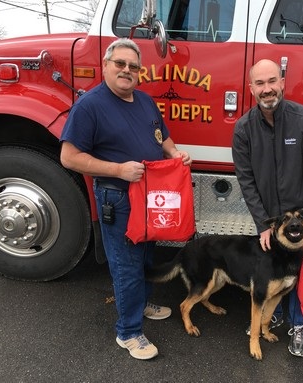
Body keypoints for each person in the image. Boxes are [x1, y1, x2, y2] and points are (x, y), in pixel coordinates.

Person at [60, 38, 192, 360]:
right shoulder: (90, 105)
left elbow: (161, 134)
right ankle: (129, 332)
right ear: (106, 65)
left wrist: (175, 153)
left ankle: (142, 304)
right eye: (120, 63)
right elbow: (69, 157)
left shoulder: (145, 101)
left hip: (148, 195)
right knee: (126, 265)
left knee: (146, 257)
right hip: (117, 197)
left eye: (133, 66)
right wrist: (118, 169)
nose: (126, 70)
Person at [232, 59, 303, 357]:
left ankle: (299, 324)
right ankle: (269, 315)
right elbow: (246, 179)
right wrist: (262, 223)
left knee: (300, 273)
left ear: (282, 82)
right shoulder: (243, 129)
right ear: (251, 89)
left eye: (272, 81)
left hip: (301, 219)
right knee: (271, 271)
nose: (267, 89)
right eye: (260, 83)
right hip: (269, 221)